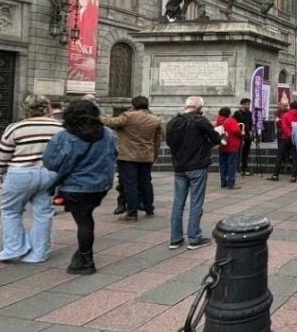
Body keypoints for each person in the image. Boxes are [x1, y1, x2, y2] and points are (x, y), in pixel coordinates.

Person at [43, 100, 118, 275]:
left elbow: (51, 162)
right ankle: (83, 255)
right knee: (86, 218)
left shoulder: (64, 137)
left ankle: (86, 259)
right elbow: (114, 154)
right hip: (100, 185)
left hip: (75, 186)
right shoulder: (108, 133)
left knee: (83, 221)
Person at [0, 94, 64, 263]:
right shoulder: (59, 127)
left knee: (11, 210)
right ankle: (39, 252)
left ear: (25, 109)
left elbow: (3, 154)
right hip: (49, 173)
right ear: (47, 108)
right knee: (43, 212)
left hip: (20, 173)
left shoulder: (15, 128)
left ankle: (14, 247)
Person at [165, 96, 220, 249]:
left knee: (178, 202)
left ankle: (175, 238)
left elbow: (169, 143)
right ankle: (194, 237)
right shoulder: (200, 120)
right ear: (199, 108)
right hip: (197, 165)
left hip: (179, 166)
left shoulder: (172, 122)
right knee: (196, 202)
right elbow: (215, 138)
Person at [103, 96, 162, 222]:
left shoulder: (128, 116)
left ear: (134, 105)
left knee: (130, 184)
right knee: (146, 183)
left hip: (128, 156)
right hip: (146, 156)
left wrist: (93, 116)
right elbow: (157, 140)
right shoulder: (155, 119)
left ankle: (132, 212)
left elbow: (109, 122)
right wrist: (154, 155)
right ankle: (149, 209)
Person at [269, 100, 297, 182]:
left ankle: (275, 175)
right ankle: (293, 176)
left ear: (290, 107)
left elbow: (284, 127)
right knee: (295, 157)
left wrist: (289, 135)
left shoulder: (286, 115)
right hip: (296, 138)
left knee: (280, 156)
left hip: (285, 138)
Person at [215, 106, 243, 189]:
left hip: (222, 145)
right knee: (232, 165)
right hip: (231, 145)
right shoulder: (230, 120)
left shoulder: (218, 121)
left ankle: (223, 183)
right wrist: (241, 133)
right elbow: (236, 130)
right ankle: (230, 183)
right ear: (229, 113)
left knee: (223, 165)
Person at [232, 98, 254, 176]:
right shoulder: (237, 113)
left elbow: (250, 123)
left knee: (246, 153)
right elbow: (235, 124)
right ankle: (236, 169)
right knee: (238, 153)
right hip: (240, 135)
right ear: (243, 104)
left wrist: (251, 131)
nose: (249, 106)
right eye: (247, 104)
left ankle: (244, 169)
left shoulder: (249, 113)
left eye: (249, 104)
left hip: (247, 135)